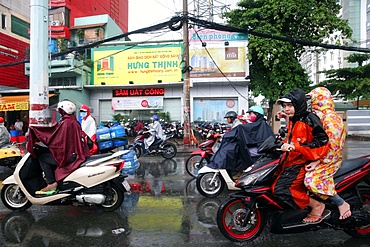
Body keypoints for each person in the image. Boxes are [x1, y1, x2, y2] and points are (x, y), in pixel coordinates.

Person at [273, 88, 330, 224]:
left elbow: (322, 142)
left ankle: (316, 206)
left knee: (281, 189)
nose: (286, 109)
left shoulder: (310, 119)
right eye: (285, 106)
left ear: (298, 104)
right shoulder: (295, 118)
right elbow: (293, 137)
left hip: (301, 163)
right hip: (290, 161)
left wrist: (296, 147)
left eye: (290, 105)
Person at [304, 87, 351, 221]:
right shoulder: (322, 116)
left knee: (311, 180)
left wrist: (318, 161)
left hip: (329, 159)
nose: (310, 103)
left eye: (312, 99)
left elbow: (333, 144)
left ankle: (341, 203)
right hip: (321, 156)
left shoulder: (330, 119)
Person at [27, 99, 90, 193]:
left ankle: (51, 183)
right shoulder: (74, 122)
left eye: (60, 111)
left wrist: (36, 131)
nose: (60, 113)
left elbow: (54, 137)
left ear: (63, 111)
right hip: (75, 153)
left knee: (43, 158)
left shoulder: (66, 123)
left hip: (69, 156)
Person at [209, 106, 275, 179]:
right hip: (258, 147)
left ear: (257, 114)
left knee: (239, 152)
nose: (249, 116)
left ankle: (241, 172)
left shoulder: (259, 125)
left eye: (250, 114)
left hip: (260, 150)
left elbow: (242, 130)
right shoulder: (257, 124)